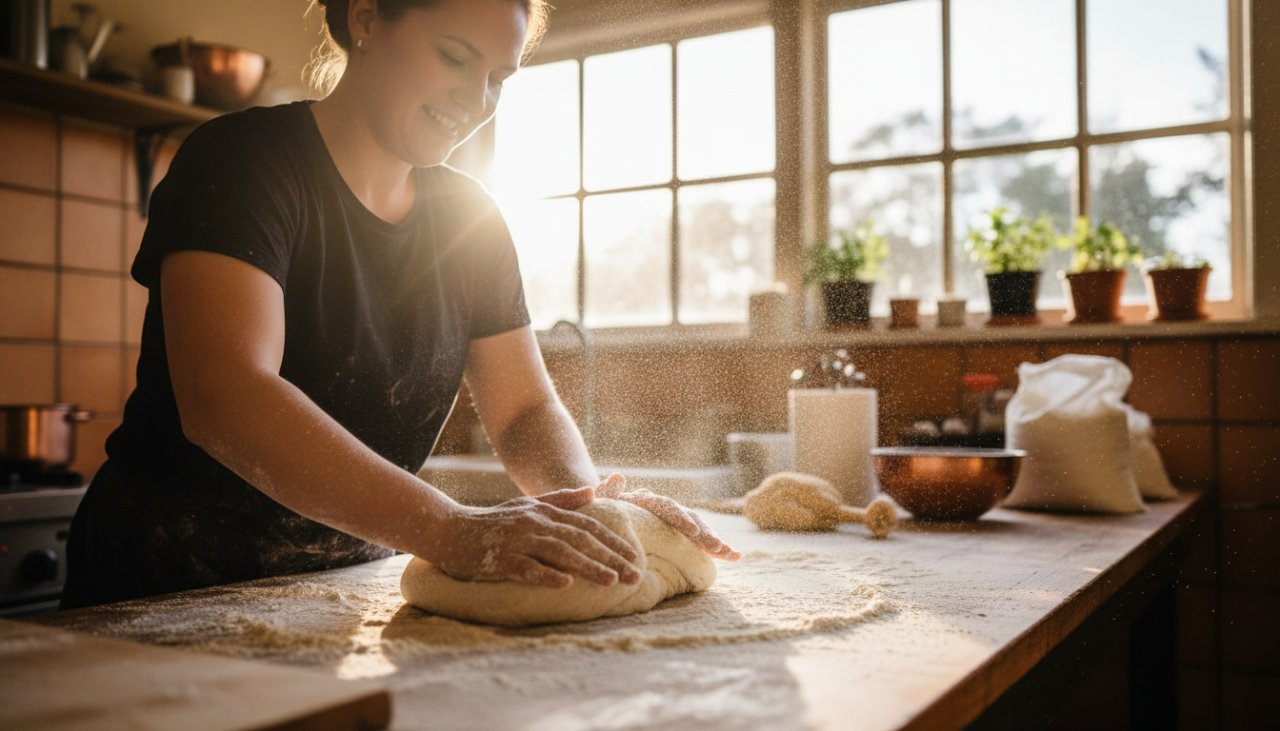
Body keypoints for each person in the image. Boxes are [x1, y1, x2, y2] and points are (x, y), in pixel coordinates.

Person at [62, 0, 738, 610]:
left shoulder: (470, 217)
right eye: (455, 57)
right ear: (365, 17)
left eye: (498, 78)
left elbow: (524, 411)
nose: (476, 99)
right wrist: (449, 527)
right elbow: (226, 397)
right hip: (163, 589)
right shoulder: (244, 162)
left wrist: (587, 508)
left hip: (328, 595)